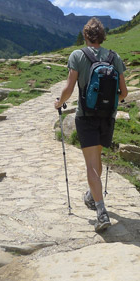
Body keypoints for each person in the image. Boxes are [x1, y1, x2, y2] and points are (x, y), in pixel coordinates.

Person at [54, 17, 127, 232]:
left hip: (85, 116)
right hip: (107, 117)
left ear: (85, 36)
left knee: (91, 165)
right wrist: (109, 104)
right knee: (97, 160)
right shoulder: (115, 57)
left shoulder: (78, 55)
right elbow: (123, 93)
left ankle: (101, 211)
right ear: (103, 36)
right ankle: (91, 194)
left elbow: (69, 87)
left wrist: (60, 102)